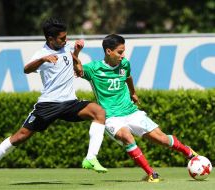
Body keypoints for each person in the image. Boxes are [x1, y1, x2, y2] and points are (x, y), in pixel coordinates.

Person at [0, 18, 108, 182]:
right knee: (20, 137)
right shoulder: (41, 54)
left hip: (70, 102)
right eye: (62, 38)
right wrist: (43, 60)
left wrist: (76, 52)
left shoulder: (66, 47)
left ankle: (90, 158)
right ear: (50, 39)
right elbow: (26, 69)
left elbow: (72, 65)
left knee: (99, 112)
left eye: (66, 37)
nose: (65, 40)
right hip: (48, 105)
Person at [74, 34, 198, 182]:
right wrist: (76, 52)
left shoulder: (124, 64)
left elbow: (128, 77)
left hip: (131, 112)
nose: (123, 55)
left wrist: (133, 92)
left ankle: (187, 151)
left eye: (123, 51)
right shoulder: (94, 68)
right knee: (127, 136)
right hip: (111, 117)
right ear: (108, 51)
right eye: (120, 52)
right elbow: (78, 69)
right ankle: (151, 173)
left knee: (162, 139)